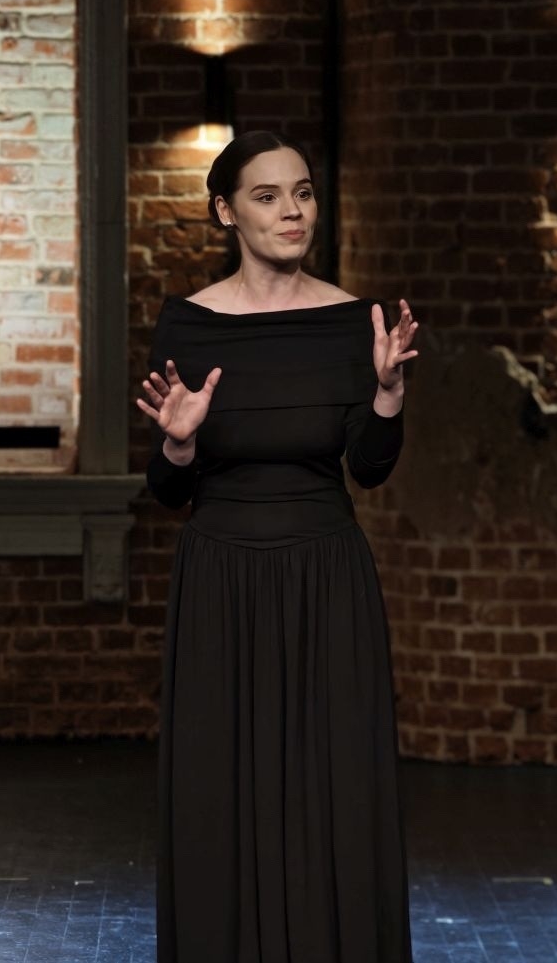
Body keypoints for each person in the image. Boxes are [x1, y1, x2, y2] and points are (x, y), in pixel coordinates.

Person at [137, 130, 419, 963]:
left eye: (302, 192)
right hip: (221, 580)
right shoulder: (188, 323)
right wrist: (180, 442)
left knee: (336, 788)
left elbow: (370, 469)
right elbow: (167, 489)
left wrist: (388, 394)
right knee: (218, 788)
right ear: (226, 212)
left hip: (325, 579)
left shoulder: (355, 320)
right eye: (267, 196)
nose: (292, 210)